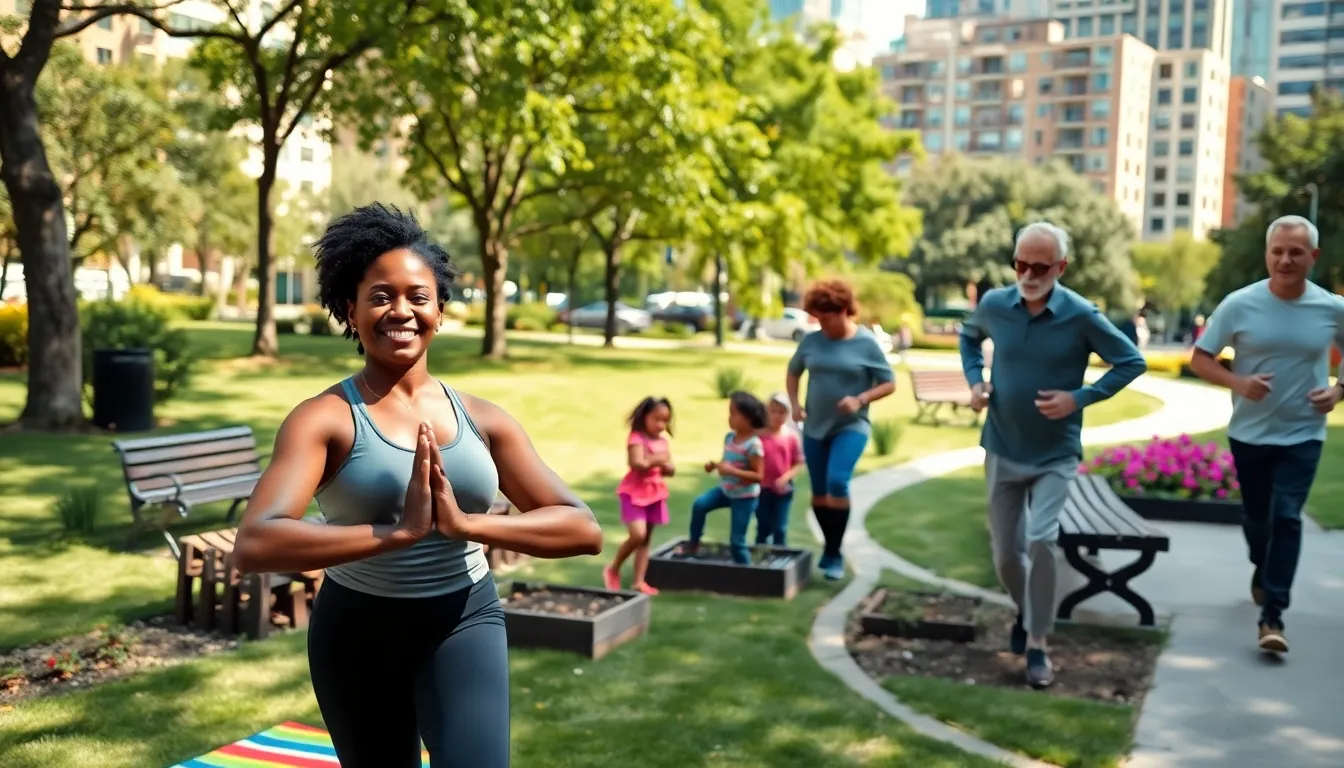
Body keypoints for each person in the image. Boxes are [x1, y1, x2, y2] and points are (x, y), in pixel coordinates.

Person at [231, 203, 603, 768]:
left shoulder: (484, 418)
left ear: (440, 310)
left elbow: (584, 527)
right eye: (380, 296)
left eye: (417, 296)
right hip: (357, 633)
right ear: (349, 311)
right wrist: (396, 533)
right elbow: (257, 543)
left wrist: (467, 525)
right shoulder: (324, 418)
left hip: (464, 620)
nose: (399, 311)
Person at [959, 221, 1146, 689]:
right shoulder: (995, 304)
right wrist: (976, 381)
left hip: (1054, 455)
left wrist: (1078, 398)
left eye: (1040, 266)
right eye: (1019, 263)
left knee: (1042, 540)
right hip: (1002, 446)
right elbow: (968, 338)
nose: (1028, 273)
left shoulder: (1081, 314)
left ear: (1060, 267)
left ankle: (1038, 644)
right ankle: (1027, 613)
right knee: (1006, 555)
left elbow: (1131, 361)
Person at [1189, 215, 1344, 655]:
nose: (1285, 259)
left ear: (1313, 257)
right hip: (1250, 432)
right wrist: (1239, 384)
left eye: (1296, 252)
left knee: (1288, 517)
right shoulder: (1240, 304)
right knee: (1259, 520)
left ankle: (1272, 615)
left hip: (1304, 433)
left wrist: (1337, 390)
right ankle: (1262, 566)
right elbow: (1201, 358)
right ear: (1267, 253)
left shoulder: (1331, 308)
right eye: (1277, 250)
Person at [786, 279, 896, 581]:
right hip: (814, 428)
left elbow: (889, 382)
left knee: (837, 482)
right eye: (817, 319)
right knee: (819, 494)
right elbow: (794, 371)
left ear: (845, 311)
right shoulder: (811, 341)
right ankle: (830, 548)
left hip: (851, 426)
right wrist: (795, 405)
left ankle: (833, 552)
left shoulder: (866, 343)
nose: (822, 324)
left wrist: (861, 399)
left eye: (827, 318)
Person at [686, 391, 767, 564]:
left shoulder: (754, 445)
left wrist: (733, 472)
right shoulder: (729, 437)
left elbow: (758, 475)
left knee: (737, 542)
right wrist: (715, 466)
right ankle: (693, 543)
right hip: (726, 490)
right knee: (700, 505)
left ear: (748, 418)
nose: (729, 418)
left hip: (745, 497)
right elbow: (727, 462)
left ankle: (747, 574)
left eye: (733, 414)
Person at [605, 397, 675, 594]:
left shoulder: (662, 441)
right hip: (634, 492)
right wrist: (658, 459)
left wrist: (668, 468)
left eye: (665, 420)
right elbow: (637, 463)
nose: (661, 425)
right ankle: (613, 568)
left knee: (646, 540)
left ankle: (638, 581)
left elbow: (666, 469)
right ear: (645, 416)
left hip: (655, 492)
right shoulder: (636, 438)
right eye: (657, 419)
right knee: (638, 534)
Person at [756, 392, 805, 546]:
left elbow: (798, 462)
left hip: (783, 490)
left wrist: (785, 479)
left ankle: (779, 559)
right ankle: (759, 558)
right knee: (763, 527)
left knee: (780, 528)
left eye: (781, 412)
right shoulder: (758, 436)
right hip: (762, 489)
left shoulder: (791, 437)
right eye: (773, 411)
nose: (776, 416)